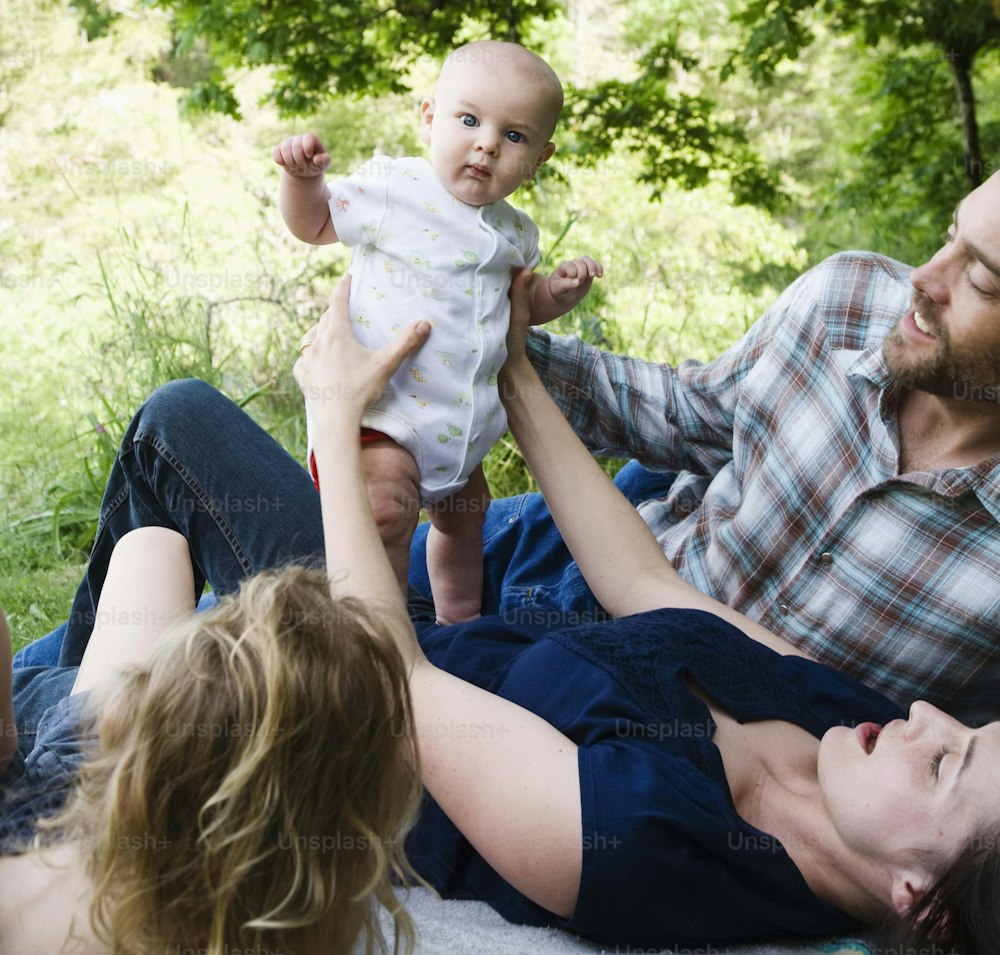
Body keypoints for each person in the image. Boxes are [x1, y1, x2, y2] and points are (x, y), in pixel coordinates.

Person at [27, 273, 1000, 953]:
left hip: (337, 706)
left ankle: (65, 764)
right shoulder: (848, 722)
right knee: (161, 504)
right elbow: (646, 585)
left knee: (174, 430)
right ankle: (68, 726)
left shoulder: (636, 841)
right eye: (966, 724)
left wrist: (331, 411)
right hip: (431, 637)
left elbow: (391, 674)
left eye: (948, 760)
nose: (923, 715)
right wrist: (515, 368)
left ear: (923, 905)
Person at [402, 166, 1000, 724]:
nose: (923, 278)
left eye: (980, 278)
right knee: (332, 560)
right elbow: (690, 414)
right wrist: (475, 341)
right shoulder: (850, 299)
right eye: (949, 235)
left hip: (659, 739)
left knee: (362, 694)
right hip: (581, 565)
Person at [272, 38, 601, 622]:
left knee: (467, 516)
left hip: (457, 427)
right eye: (469, 120)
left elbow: (521, 305)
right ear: (429, 118)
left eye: (515, 136)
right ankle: (384, 634)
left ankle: (458, 624)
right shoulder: (397, 189)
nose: (487, 144)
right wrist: (301, 182)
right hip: (383, 413)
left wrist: (561, 291)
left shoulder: (516, 232)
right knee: (387, 514)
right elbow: (316, 223)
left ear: (540, 158)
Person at [0, 532, 421, 954]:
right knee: (154, 546)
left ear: (119, 724)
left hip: (74, 814)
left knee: (149, 546)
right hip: (113, 815)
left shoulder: (19, 904)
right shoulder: (283, 923)